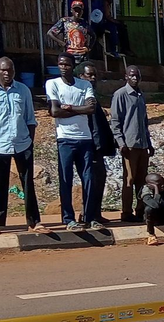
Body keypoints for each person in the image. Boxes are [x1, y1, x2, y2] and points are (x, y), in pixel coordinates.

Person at [46, 53, 98, 231]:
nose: (63, 67)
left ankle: (90, 217)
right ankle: (68, 219)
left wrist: (69, 107)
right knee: (65, 179)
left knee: (89, 178)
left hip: (85, 138)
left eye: (67, 65)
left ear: (73, 66)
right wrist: (79, 110)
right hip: (65, 138)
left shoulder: (85, 84)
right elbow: (54, 111)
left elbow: (91, 108)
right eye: (60, 64)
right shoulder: (52, 84)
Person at [0, 57, 45, 232]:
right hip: (1, 145)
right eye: (3, 70)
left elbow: (30, 119)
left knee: (28, 184)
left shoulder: (23, 90)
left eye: (10, 70)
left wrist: (30, 143)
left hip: (22, 144)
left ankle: (34, 222)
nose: (7, 73)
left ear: (14, 72)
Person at [110, 65, 152, 224]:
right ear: (126, 76)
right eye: (132, 76)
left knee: (142, 180)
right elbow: (115, 121)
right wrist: (120, 142)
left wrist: (149, 143)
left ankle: (140, 210)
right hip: (129, 144)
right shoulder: (120, 95)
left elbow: (144, 122)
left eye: (137, 76)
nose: (135, 78)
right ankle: (126, 212)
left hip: (142, 144)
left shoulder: (141, 95)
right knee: (129, 179)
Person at [80, 63, 115, 226]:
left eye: (94, 75)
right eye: (89, 75)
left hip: (98, 147)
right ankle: (89, 215)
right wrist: (96, 146)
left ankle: (96, 213)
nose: (93, 78)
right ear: (81, 76)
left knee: (100, 178)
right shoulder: (83, 97)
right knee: (93, 180)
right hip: (91, 147)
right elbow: (91, 124)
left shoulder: (93, 95)